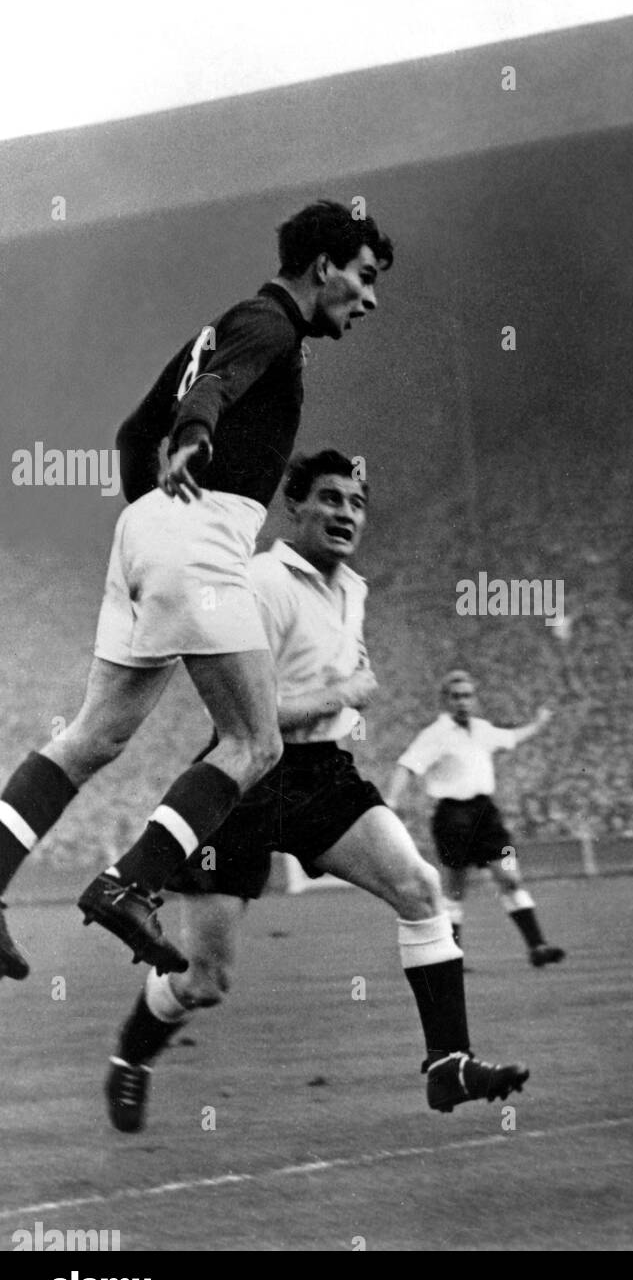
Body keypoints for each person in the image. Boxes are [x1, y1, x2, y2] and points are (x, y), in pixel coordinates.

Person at [0, 202, 392, 980]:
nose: (370, 297)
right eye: (364, 276)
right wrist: (194, 440)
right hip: (201, 531)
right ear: (324, 268)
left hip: (149, 531)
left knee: (92, 737)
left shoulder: (226, 323)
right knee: (256, 741)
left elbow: (127, 434)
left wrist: (152, 511)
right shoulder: (270, 323)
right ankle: (130, 883)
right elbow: (212, 389)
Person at [104, 451, 528, 1131]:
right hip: (242, 777)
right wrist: (344, 693)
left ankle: (447, 1062)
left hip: (321, 775)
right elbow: (254, 713)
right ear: (292, 507)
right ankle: (131, 1057)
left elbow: (337, 690)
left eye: (356, 503)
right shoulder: (261, 583)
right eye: (329, 499)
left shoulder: (352, 589)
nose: (345, 513)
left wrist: (344, 704)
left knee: (419, 889)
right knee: (206, 981)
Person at [387, 674, 564, 967]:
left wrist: (539, 723)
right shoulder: (435, 734)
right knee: (456, 889)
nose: (462, 701)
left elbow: (512, 737)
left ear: (475, 699)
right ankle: (451, 956)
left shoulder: (482, 729)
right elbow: (407, 765)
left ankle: (538, 946)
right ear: (445, 701)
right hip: (452, 815)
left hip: (486, 814)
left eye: (467, 695)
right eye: (456, 696)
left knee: (510, 876)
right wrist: (391, 802)